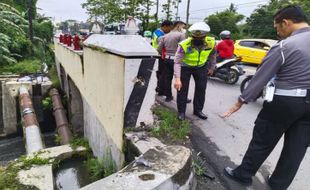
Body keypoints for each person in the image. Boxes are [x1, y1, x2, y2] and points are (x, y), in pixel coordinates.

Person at [221, 5, 310, 190]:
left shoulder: (285, 46)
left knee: (263, 139)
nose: (277, 32)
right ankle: (278, 184)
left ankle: (243, 174)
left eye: (277, 27)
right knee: (297, 147)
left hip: (285, 102)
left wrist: (241, 101)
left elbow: (261, 76)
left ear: (286, 23)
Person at [174, 22, 216, 120]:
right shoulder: (184, 44)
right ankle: (181, 112)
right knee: (182, 90)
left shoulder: (211, 42)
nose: (197, 40)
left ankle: (198, 110)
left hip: (201, 67)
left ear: (205, 36)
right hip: (185, 67)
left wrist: (212, 67)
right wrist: (177, 79)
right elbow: (177, 62)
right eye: (195, 38)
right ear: (191, 36)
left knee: (201, 89)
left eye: (200, 38)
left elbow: (213, 55)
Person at [157, 21, 186, 102]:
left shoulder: (165, 36)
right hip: (177, 60)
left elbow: (159, 49)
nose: (183, 29)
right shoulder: (181, 35)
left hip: (166, 59)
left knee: (167, 78)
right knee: (179, 79)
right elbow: (184, 48)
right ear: (178, 26)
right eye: (182, 27)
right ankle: (182, 98)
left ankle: (168, 96)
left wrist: (165, 55)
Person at [152, 20, 173, 95]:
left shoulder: (160, 32)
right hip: (159, 55)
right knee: (162, 74)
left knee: (162, 74)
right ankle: (161, 89)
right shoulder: (158, 33)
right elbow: (163, 41)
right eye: (170, 28)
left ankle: (160, 88)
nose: (170, 30)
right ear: (165, 26)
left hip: (160, 55)